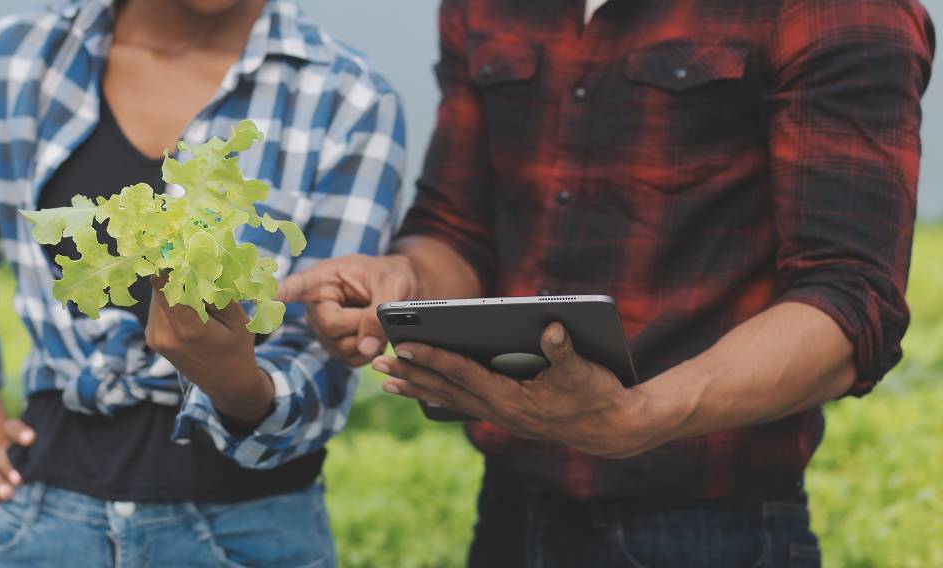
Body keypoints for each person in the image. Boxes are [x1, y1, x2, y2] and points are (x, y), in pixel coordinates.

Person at [280, 0, 934, 565]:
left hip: (716, 531)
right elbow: (457, 226)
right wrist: (402, 277)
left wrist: (641, 416)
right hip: (510, 516)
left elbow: (850, 297)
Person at [0, 0, 404, 565]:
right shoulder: (22, 58)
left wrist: (236, 383)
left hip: (245, 530)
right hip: (42, 522)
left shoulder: (349, 98)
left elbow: (324, 350)